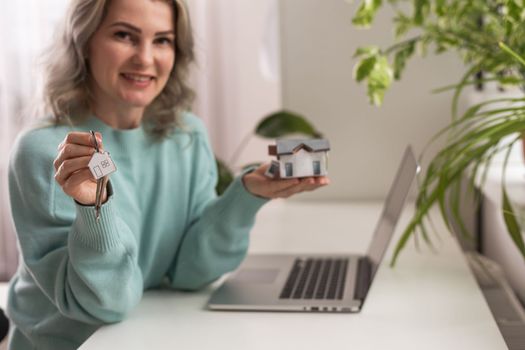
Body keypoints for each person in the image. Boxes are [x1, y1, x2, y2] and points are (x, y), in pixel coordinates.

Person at [6, 0, 329, 349]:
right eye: (124, 35)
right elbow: (103, 304)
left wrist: (248, 193)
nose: (145, 59)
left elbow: (191, 270)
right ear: (83, 42)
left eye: (162, 40)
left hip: (151, 335)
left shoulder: (185, 136)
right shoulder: (47, 152)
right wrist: (94, 207)